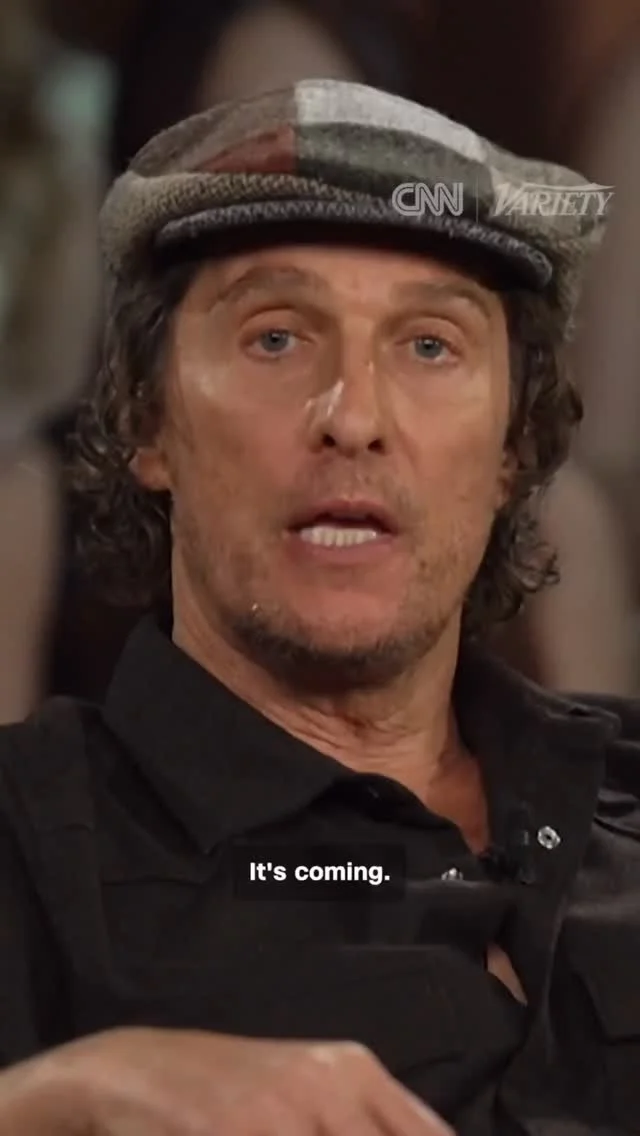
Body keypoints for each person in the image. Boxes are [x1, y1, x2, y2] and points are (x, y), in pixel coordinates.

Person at [0, 79, 637, 1135]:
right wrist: (60, 1098)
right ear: (146, 419)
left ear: (512, 450)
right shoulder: (28, 846)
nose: (353, 415)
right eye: (276, 338)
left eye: (429, 345)